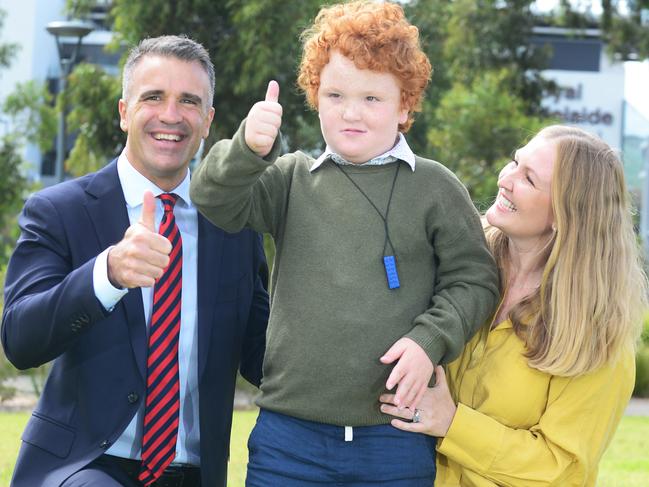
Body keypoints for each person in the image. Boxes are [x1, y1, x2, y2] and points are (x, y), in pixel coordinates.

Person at [190, 1, 499, 485]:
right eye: (334, 94)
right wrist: (247, 147)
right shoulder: (289, 178)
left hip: (395, 436)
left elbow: (475, 280)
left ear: (404, 104)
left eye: (372, 99)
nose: (351, 112)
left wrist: (429, 342)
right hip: (288, 438)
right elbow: (213, 199)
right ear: (315, 96)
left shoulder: (436, 187)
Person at [2, 35, 269, 487]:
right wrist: (106, 274)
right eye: (153, 97)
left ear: (208, 121)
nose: (171, 115)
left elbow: (264, 357)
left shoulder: (235, 225)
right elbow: (21, 338)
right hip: (85, 467)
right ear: (124, 111)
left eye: (189, 101)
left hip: (195, 474)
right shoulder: (59, 211)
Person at [380, 125, 648, 487]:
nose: (505, 179)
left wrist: (453, 423)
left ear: (564, 216)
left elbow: (562, 469)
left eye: (529, 179)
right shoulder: (457, 264)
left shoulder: (599, 336)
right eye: (514, 162)